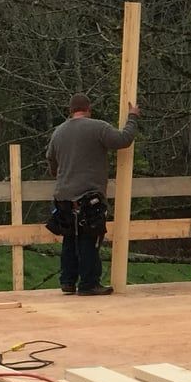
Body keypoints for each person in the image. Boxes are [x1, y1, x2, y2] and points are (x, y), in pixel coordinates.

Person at [45, 92, 139, 296]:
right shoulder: (98, 127)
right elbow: (123, 139)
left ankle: (67, 281)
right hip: (88, 196)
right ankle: (89, 284)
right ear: (89, 109)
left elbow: (50, 159)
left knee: (69, 238)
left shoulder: (58, 132)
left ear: (70, 111)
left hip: (63, 197)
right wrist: (132, 117)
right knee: (90, 237)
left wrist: (60, 173)